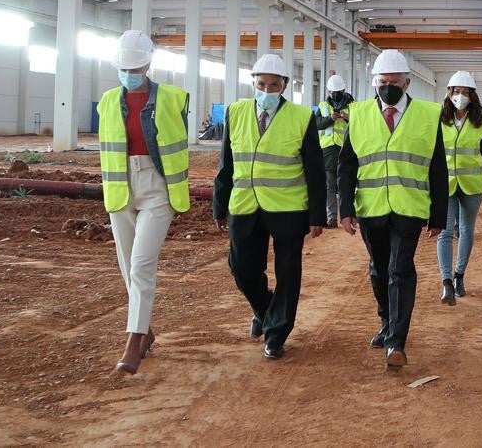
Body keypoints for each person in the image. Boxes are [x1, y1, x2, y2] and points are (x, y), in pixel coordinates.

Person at [339, 49, 448, 370]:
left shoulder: (428, 115)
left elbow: (438, 169)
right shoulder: (358, 113)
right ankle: (387, 320)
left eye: (394, 82)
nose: (388, 87)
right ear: (375, 83)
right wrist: (345, 207)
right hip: (370, 207)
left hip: (410, 207)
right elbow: (347, 165)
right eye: (382, 82)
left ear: (407, 82)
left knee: (400, 269)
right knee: (379, 269)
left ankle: (396, 341)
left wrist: (438, 215)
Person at [212, 54, 326, 360]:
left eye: (273, 85)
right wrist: (219, 205)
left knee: (288, 273)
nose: (266, 89)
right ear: (253, 83)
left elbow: (315, 170)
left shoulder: (302, 117)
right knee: (242, 269)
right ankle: (265, 309)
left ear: (284, 86)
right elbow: (226, 164)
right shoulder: (235, 112)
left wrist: (318, 215)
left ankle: (276, 334)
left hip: (288, 209)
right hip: (244, 205)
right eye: (261, 84)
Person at [96, 30, 190, 375]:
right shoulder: (107, 102)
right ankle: (146, 329)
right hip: (120, 187)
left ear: (149, 64)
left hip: (157, 187)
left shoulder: (173, 98)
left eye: (135, 67)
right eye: (124, 68)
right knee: (126, 266)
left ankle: (133, 339)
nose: (129, 73)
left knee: (140, 264)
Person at [437, 71, 482, 305]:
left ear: (472, 95)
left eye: (465, 92)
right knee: (445, 232)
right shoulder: (438, 117)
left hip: (472, 184)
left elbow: (481, 149)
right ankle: (446, 282)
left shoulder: (481, 119)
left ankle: (460, 276)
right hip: (444, 183)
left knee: (466, 230)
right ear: (449, 93)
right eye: (456, 91)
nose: (460, 95)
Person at [314, 73, 353, 228]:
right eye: (332, 92)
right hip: (328, 152)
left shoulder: (353, 105)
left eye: (338, 91)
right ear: (329, 91)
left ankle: (350, 216)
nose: (335, 95)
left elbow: (361, 123)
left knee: (347, 184)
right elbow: (316, 124)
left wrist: (347, 117)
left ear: (343, 90)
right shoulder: (323, 106)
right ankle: (331, 218)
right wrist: (330, 118)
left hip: (347, 151)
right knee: (330, 186)